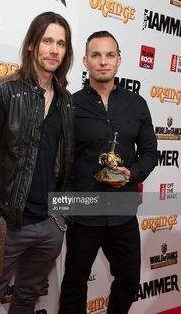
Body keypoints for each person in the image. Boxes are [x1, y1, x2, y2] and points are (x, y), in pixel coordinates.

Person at [0, 11, 74, 314]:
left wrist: (61, 219)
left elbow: (64, 160)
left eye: (61, 43)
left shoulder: (66, 101)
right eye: (47, 41)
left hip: (49, 225)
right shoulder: (2, 89)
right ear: (31, 45)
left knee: (26, 301)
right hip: (6, 226)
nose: (54, 49)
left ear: (66, 51)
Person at [58, 31, 157, 314]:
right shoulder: (70, 104)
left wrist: (133, 173)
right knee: (74, 286)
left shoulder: (136, 104)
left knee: (128, 281)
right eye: (96, 55)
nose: (103, 61)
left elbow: (150, 151)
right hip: (82, 211)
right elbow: (58, 159)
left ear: (119, 60)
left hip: (123, 210)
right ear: (86, 61)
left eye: (109, 55)